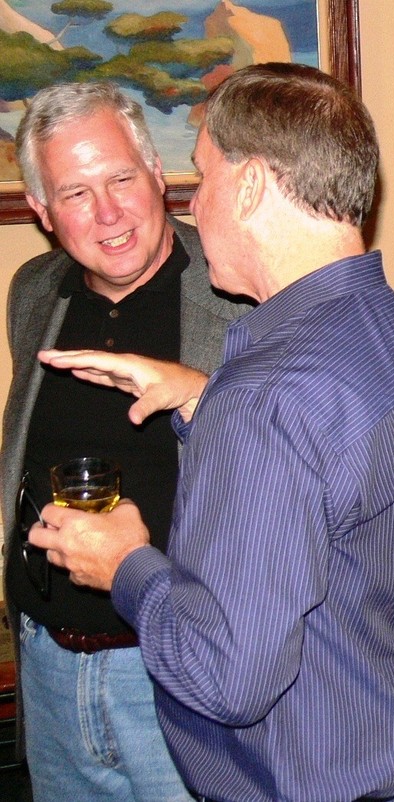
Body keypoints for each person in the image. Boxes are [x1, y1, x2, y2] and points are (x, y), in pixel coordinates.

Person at [28, 63, 394, 802]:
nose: (194, 202)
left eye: (204, 177)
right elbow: (335, 492)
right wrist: (203, 400)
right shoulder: (392, 330)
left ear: (253, 185)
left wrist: (126, 563)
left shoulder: (265, 396)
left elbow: (226, 678)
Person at [1, 81, 249, 802]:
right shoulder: (34, 291)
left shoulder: (240, 290)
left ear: (157, 174)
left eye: (120, 179)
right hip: (49, 669)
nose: (107, 213)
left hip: (178, 674)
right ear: (42, 211)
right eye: (75, 194)